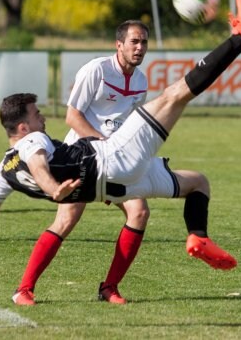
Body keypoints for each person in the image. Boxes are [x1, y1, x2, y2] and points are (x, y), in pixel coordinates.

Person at [0, 0, 241, 304]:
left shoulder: (2, 170)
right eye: (135, 41)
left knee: (170, 195)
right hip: (100, 156)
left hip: (103, 168)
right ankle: (240, 38)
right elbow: (63, 128)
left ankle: (124, 279)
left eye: (144, 42)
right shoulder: (77, 91)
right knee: (176, 95)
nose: (43, 118)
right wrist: (58, 183)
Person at [14, 20, 152, 305]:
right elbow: (72, 117)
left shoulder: (141, 81)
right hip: (82, 155)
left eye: (144, 43)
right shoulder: (96, 70)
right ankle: (24, 289)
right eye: (134, 42)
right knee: (66, 219)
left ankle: (109, 287)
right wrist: (103, 146)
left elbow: (131, 126)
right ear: (119, 45)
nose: (139, 48)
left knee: (139, 212)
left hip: (116, 159)